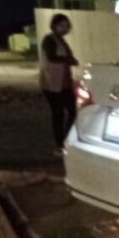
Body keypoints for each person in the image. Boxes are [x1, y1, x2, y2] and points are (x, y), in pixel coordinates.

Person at [39, 14, 79, 155]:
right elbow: (51, 57)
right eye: (62, 25)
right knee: (58, 114)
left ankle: (65, 140)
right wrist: (68, 59)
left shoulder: (60, 40)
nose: (65, 28)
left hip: (65, 83)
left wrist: (70, 60)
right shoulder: (49, 39)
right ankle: (59, 145)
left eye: (67, 25)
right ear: (54, 26)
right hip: (52, 83)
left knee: (73, 112)